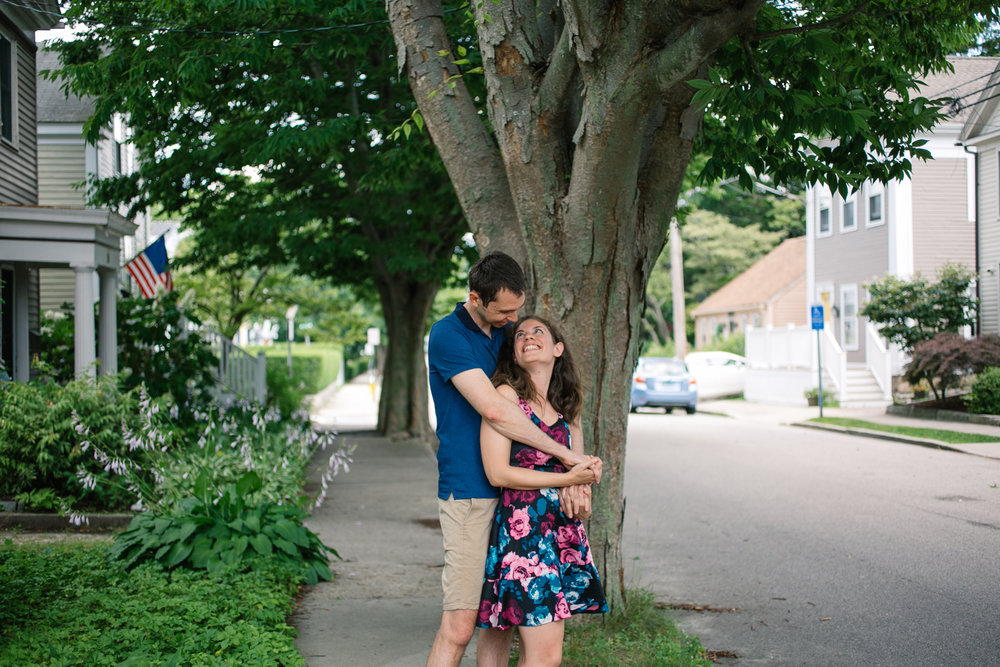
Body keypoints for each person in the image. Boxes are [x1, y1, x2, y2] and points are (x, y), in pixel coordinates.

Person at [426, 251, 602, 667]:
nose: (513, 319)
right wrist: (569, 461)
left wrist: (575, 477)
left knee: (498, 624)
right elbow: (498, 411)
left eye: (518, 309)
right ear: (475, 297)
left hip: (520, 509)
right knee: (461, 625)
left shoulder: (507, 334)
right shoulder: (448, 335)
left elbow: (556, 407)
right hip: (472, 491)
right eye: (505, 310)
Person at [476, 315, 609, 666]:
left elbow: (580, 492)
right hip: (524, 537)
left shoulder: (567, 409)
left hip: (561, 533)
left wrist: (585, 481)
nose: (528, 336)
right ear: (515, 355)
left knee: (542, 653)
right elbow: (498, 472)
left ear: (558, 348)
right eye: (519, 334)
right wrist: (566, 480)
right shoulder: (505, 396)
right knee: (545, 656)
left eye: (538, 332)